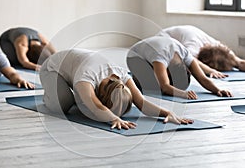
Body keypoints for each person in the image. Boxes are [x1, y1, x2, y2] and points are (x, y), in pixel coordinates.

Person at [40, 48, 193, 130]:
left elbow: (140, 101)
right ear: (102, 95)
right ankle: (49, 95)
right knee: (64, 104)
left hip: (75, 68)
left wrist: (168, 113)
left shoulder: (121, 76)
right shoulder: (86, 77)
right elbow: (95, 105)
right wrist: (113, 118)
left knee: (82, 101)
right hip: (51, 69)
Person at [127, 34, 233, 100]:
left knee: (160, 83)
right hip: (134, 56)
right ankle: (137, 78)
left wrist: (217, 90)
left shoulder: (185, 54)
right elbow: (165, 86)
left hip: (152, 51)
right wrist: (182, 94)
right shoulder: (160, 58)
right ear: (168, 73)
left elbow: (202, 78)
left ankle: (155, 75)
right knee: (153, 88)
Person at [160, 25, 245, 78]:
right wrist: (210, 70)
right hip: (161, 41)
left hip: (180, 37)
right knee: (179, 62)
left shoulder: (219, 47)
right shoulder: (193, 45)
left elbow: (239, 62)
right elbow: (191, 61)